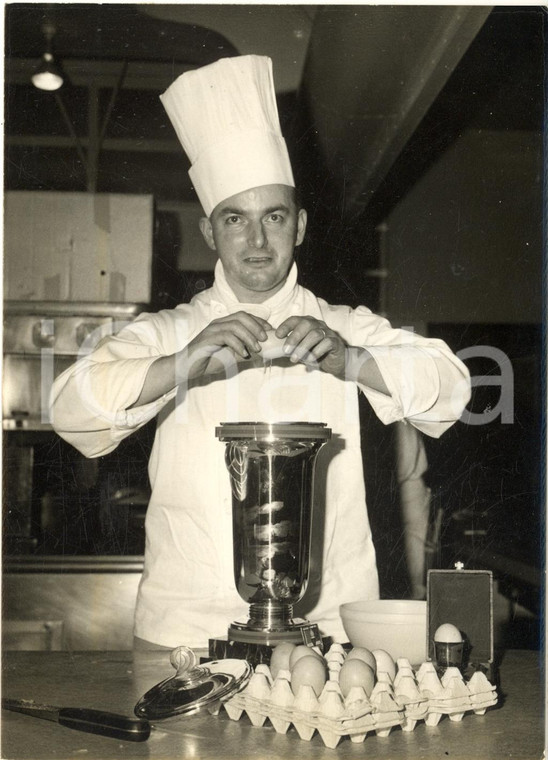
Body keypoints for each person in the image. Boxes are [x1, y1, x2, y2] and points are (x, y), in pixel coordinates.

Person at [50, 55, 471, 649]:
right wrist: (180, 368)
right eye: (234, 219)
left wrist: (352, 361)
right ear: (209, 232)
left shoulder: (344, 326)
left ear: (299, 225)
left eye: (273, 216)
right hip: (185, 632)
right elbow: (69, 410)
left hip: (327, 630)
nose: (255, 240)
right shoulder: (171, 332)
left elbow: (452, 387)